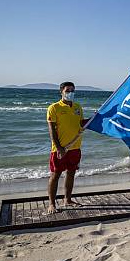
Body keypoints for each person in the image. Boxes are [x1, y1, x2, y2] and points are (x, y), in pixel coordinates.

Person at [46, 82, 89, 214]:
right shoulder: (54, 108)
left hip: (75, 148)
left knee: (71, 173)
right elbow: (52, 130)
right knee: (56, 175)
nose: (70, 93)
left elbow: (81, 123)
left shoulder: (77, 107)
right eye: (68, 90)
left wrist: (95, 119)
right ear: (61, 92)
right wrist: (59, 148)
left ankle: (67, 200)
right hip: (60, 148)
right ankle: (52, 204)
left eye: (72, 90)